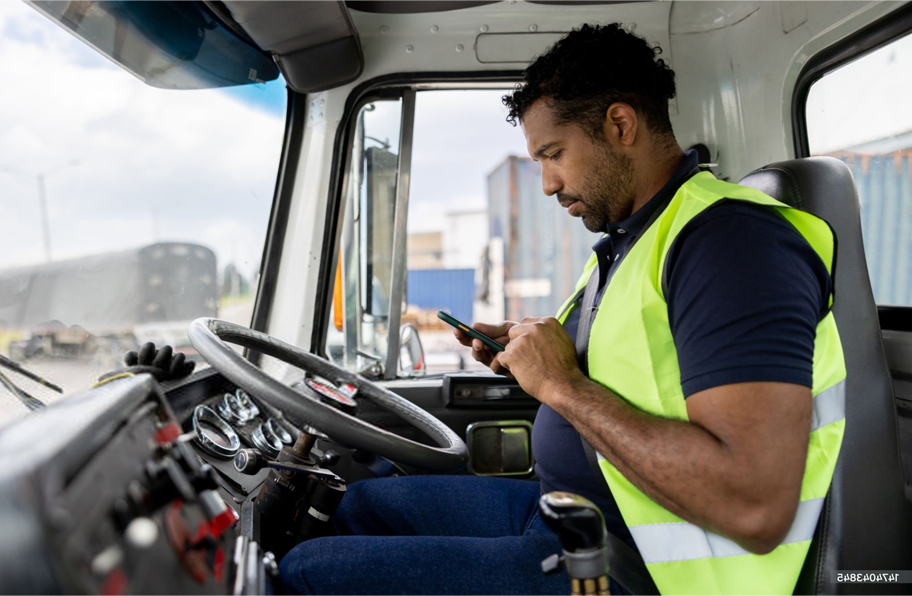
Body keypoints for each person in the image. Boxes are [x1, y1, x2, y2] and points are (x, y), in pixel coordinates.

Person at [279, 23, 845, 595]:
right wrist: (526, 353)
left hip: (642, 571)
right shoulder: (632, 237)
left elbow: (752, 505)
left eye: (554, 154)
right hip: (580, 513)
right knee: (359, 506)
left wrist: (562, 385)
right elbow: (632, 368)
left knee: (304, 575)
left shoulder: (729, 244)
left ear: (620, 125)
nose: (547, 183)